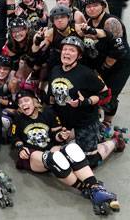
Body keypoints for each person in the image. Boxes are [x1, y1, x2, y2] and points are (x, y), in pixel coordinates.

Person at [11, 89, 120, 215]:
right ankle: (88, 189)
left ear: (35, 101)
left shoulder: (48, 113)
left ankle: (95, 188)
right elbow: (15, 138)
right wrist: (20, 148)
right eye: (20, 103)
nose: (23, 104)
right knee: (55, 157)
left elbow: (55, 135)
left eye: (26, 100)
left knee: (71, 149)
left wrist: (61, 136)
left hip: (50, 148)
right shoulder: (18, 119)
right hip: (32, 156)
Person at [49, 36, 125, 169]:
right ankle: (99, 131)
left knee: (89, 162)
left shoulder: (87, 74)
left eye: (72, 50)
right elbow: (52, 96)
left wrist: (86, 102)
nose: (67, 52)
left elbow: (106, 93)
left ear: (78, 56)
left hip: (85, 121)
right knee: (54, 152)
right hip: (65, 120)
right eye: (65, 49)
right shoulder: (55, 70)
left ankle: (115, 140)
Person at [83, 0, 130, 129]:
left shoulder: (111, 22)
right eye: (88, 6)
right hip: (103, 61)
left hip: (120, 64)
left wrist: (102, 69)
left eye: (95, 6)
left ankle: (107, 122)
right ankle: (97, 114)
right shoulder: (89, 22)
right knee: (96, 91)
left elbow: (118, 51)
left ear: (103, 6)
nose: (91, 9)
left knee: (109, 96)